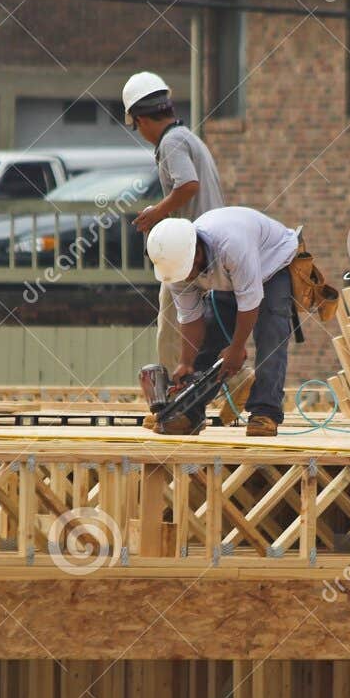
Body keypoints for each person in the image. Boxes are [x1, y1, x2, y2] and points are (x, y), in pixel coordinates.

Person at [146, 207, 298, 437]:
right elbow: (190, 317)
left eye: (186, 271)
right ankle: (190, 413)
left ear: (196, 254)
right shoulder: (175, 269)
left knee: (271, 334)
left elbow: (249, 304)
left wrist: (236, 349)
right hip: (229, 276)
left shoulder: (232, 246)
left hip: (272, 263)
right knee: (212, 335)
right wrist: (186, 362)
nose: (186, 278)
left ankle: (265, 412)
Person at [121, 71, 225, 374]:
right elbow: (190, 189)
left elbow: (188, 185)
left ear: (140, 120)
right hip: (209, 244)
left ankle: (171, 401)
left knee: (170, 327)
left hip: (189, 249)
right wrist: (163, 209)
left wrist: (156, 214)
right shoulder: (188, 137)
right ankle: (233, 381)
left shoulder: (170, 143)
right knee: (208, 327)